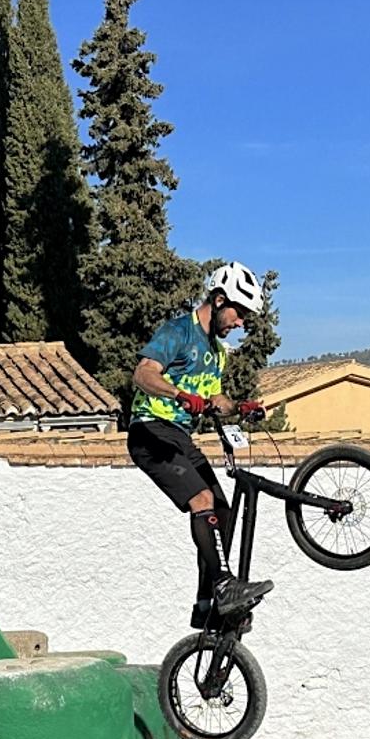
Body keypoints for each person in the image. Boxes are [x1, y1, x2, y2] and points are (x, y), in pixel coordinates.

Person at [128, 261, 273, 629]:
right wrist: (178, 394)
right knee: (202, 501)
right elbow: (143, 373)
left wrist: (239, 407)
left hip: (178, 436)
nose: (241, 323)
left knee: (221, 511)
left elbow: (215, 400)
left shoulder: (218, 352)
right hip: (150, 431)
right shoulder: (178, 331)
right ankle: (224, 586)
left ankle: (207, 603)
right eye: (239, 313)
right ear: (220, 299)